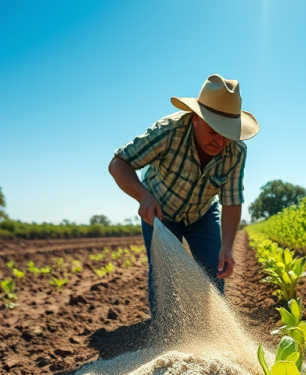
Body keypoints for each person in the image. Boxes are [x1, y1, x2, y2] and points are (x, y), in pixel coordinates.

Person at [108, 74, 259, 314]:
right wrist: (143, 196)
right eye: (213, 131)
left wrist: (227, 247)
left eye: (227, 132)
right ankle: (166, 336)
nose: (221, 141)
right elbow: (118, 163)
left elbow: (231, 200)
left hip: (202, 214)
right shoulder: (169, 132)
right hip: (160, 211)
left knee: (214, 270)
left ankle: (208, 335)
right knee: (164, 277)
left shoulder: (236, 151)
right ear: (196, 118)